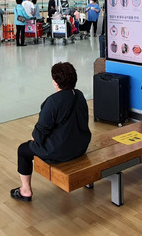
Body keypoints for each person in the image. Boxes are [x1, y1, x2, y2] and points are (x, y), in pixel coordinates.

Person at [12, 62, 91, 202]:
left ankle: (25, 190)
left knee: (23, 150)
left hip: (58, 152)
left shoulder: (53, 101)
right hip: (80, 146)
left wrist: (35, 140)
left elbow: (40, 132)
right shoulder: (79, 95)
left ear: (55, 82)